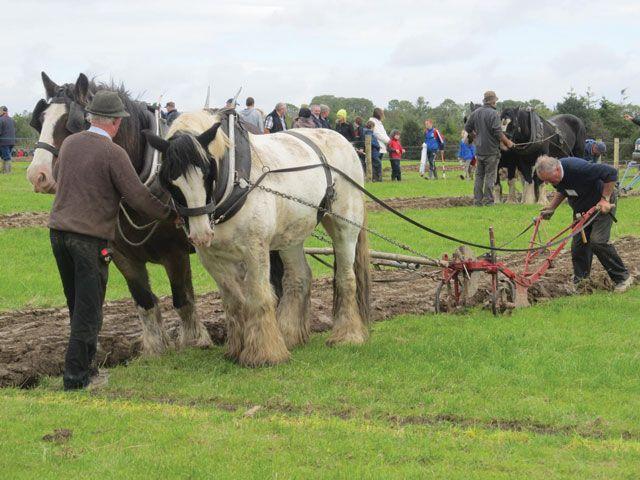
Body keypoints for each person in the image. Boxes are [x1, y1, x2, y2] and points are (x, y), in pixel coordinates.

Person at [49, 91, 173, 390]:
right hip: (90, 239)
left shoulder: (70, 144)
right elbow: (138, 196)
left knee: (76, 305)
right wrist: (170, 215)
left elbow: (58, 175)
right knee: (90, 310)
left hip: (58, 234)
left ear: (90, 117)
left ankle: (85, 367)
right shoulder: (113, 152)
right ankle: (78, 378)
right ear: (116, 122)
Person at [536, 155, 633, 292]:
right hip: (581, 209)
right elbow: (563, 190)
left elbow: (611, 173)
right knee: (578, 246)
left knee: (598, 241)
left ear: (557, 169)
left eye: (549, 180)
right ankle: (581, 282)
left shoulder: (579, 168)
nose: (547, 183)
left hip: (601, 205)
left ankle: (623, 278)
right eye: (545, 181)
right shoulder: (556, 176)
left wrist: (605, 199)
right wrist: (552, 208)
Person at [464, 91, 514, 206]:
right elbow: (498, 132)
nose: (496, 102)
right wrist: (508, 143)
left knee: (479, 176)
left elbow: (467, 128)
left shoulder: (476, 113)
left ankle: (477, 201)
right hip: (491, 151)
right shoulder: (494, 113)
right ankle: (488, 201)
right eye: (495, 100)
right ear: (492, 101)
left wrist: (475, 137)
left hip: (479, 150)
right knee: (490, 176)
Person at [368, 108, 391, 177]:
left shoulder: (379, 123)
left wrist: (389, 140)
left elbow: (384, 133)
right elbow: (377, 134)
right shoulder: (373, 122)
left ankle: (378, 177)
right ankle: (376, 177)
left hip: (381, 145)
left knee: (378, 163)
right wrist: (388, 140)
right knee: (376, 164)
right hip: (377, 145)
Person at [0, 106, 16, 174]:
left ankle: (8, 172)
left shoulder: (1, 119)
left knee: (6, 157)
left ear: (2, 111)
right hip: (11, 142)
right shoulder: (12, 120)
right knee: (5, 156)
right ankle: (3, 171)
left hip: (3, 142)